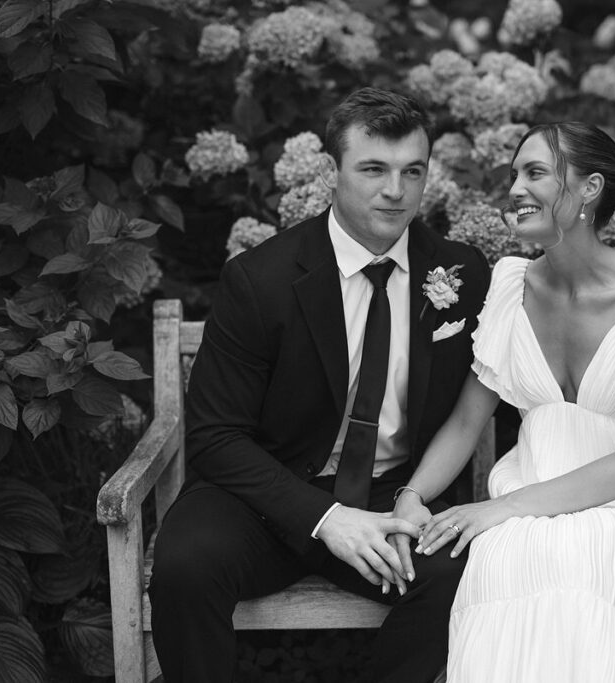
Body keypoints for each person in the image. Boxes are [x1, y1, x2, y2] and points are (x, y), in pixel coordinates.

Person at [148, 87, 491, 683]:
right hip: (264, 496)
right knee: (184, 565)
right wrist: (326, 517)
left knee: (461, 575)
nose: (396, 190)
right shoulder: (261, 279)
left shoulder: (460, 273)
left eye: (413, 171)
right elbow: (216, 437)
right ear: (333, 172)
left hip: (394, 496)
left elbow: (481, 405)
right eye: (373, 169)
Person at [389, 122, 615, 682]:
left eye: (536, 173)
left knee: (579, 562)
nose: (516, 188)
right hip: (523, 513)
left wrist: (500, 508)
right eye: (514, 175)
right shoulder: (510, 286)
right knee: (507, 559)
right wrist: (412, 497)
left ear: (591, 187)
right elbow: (464, 423)